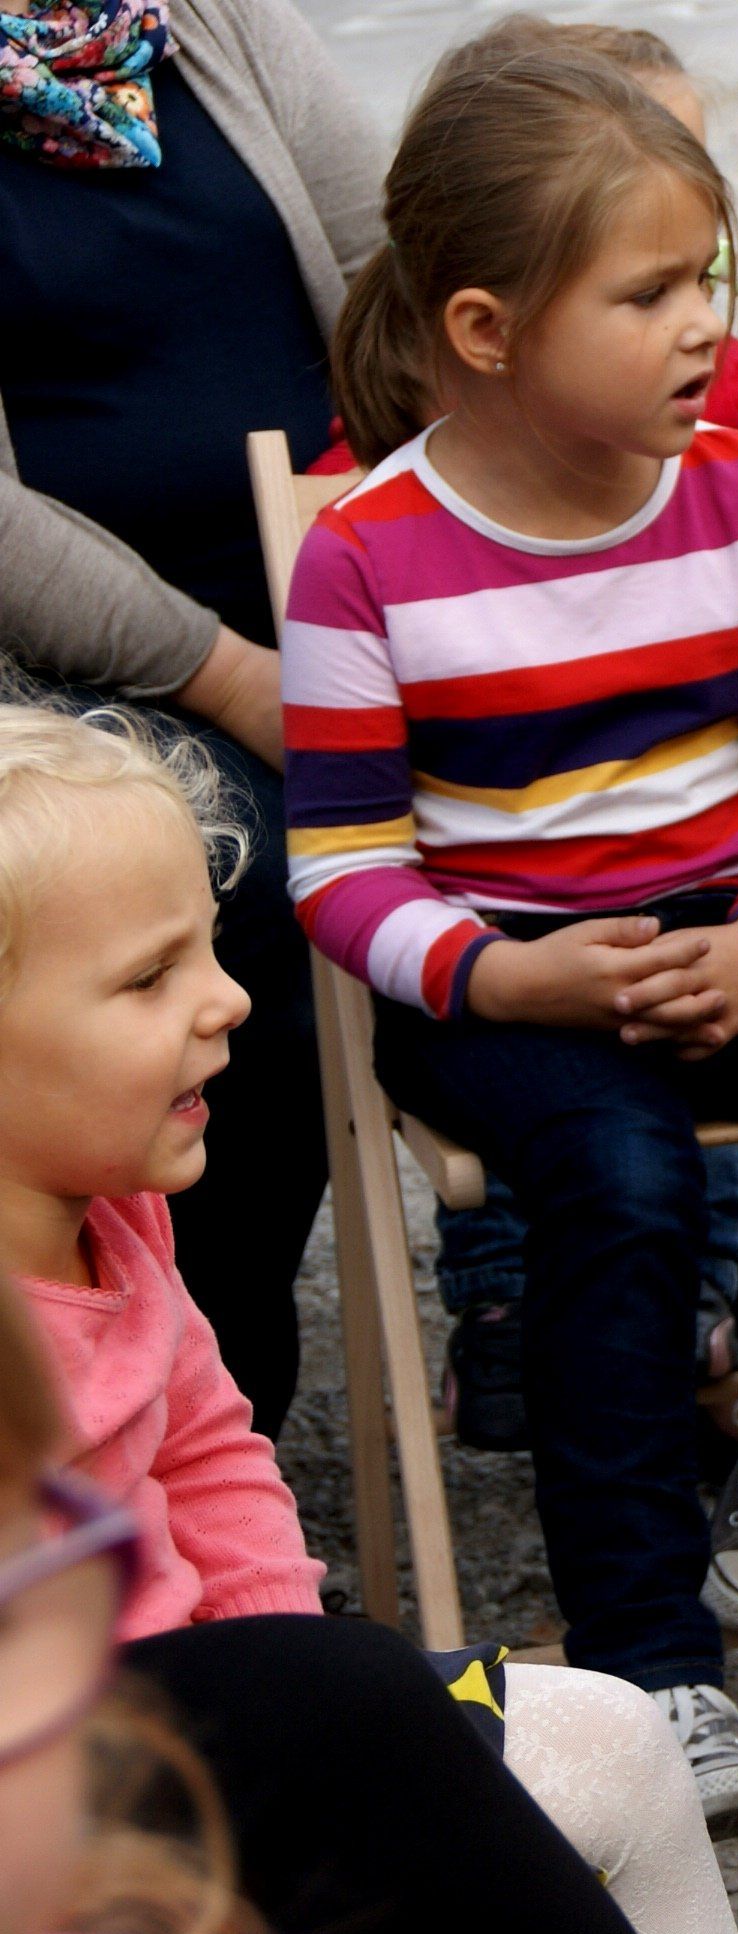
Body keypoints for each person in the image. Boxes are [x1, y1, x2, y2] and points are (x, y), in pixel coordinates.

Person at [278, 42, 738, 1833]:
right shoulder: (365, 555)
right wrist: (510, 976)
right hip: (494, 972)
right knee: (624, 1178)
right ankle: (657, 1670)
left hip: (732, 931)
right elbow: (341, 868)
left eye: (706, 278)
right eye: (649, 292)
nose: (702, 325)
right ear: (488, 329)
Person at [0, 703, 737, 1930]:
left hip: (229, 1734)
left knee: (619, 1734)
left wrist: (296, 1690)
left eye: (209, 950)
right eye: (149, 977)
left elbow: (208, 1452)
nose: (229, 999)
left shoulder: (121, 1211)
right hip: (70, 1807)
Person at [0, 0, 381, 1433]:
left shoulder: (210, 22)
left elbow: (408, 280)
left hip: (329, 602)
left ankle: (609, 1275)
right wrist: (231, 675)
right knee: (240, 895)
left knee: (590, 773)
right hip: (63, 675)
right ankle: (189, 1409)